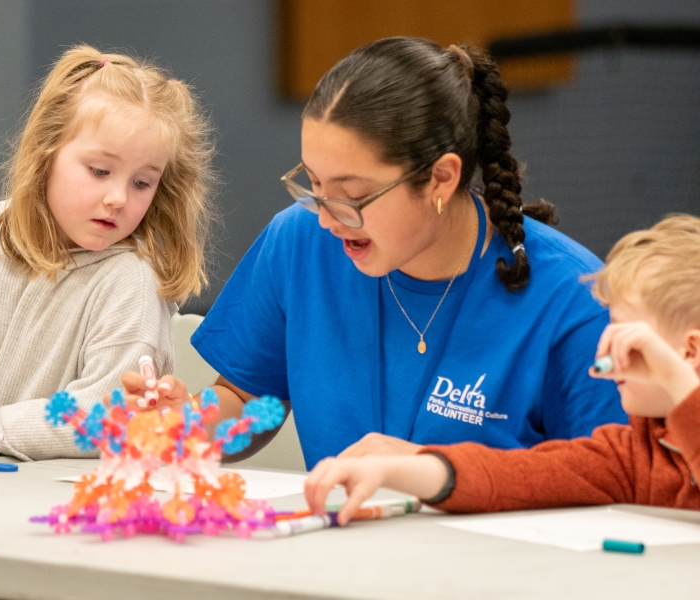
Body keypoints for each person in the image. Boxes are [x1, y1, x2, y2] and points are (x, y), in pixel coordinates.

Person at [181, 37, 626, 470]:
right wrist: (179, 429)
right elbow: (246, 398)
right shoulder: (299, 243)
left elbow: (616, 480)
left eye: (352, 196)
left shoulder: (576, 302)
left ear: (440, 179)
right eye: (313, 185)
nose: (326, 219)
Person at [0, 45, 215, 469]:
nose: (117, 198)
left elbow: (103, 417)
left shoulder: (131, 280)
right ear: (46, 151)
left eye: (142, 183)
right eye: (99, 171)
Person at [304, 215, 700, 523]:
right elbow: (514, 474)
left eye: (628, 339)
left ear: (690, 350)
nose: (606, 349)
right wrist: (394, 470)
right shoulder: (630, 452)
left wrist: (676, 378)